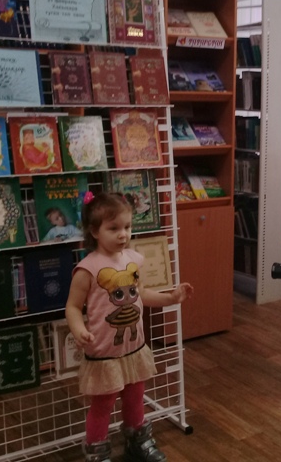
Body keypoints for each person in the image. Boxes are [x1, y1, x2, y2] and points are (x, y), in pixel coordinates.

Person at [66, 192, 193, 462]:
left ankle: (138, 440)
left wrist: (171, 297)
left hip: (134, 348)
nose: (123, 234)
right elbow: (73, 307)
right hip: (104, 354)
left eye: (127, 226)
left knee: (136, 398)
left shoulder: (132, 260)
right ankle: (97, 453)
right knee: (103, 404)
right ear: (94, 231)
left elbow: (141, 293)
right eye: (113, 228)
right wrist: (79, 330)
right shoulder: (87, 269)